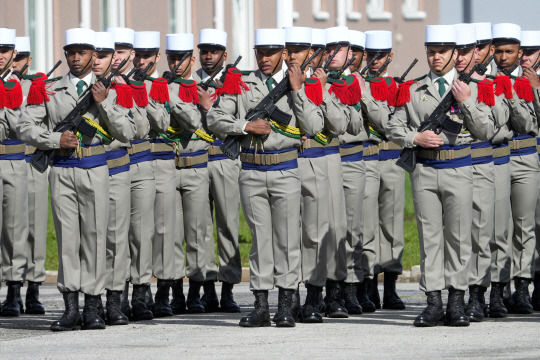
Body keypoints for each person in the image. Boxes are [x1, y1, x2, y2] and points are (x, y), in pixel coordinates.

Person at [18, 27, 136, 331]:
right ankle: (71, 307)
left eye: (82, 52)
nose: (75, 58)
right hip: (61, 170)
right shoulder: (50, 88)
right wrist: (56, 139)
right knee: (67, 240)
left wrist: (105, 102)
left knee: (96, 238)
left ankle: (93, 306)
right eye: (70, 52)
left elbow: (128, 132)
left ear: (94, 55)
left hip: (96, 169)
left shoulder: (108, 89)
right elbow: (25, 126)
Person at [208, 28, 320, 328]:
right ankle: (260, 304)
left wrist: (297, 90)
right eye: (260, 52)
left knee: (287, 239)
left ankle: (286, 303)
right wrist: (245, 126)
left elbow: (314, 124)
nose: (264, 58)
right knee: (260, 240)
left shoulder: (299, 82)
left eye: (270, 53)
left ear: (283, 54)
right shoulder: (241, 82)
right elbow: (214, 118)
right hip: (252, 170)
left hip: (285, 169)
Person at [387, 24, 494, 327]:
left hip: (459, 168)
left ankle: (457, 302)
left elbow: (486, 130)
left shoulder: (470, 87)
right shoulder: (412, 88)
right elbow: (394, 126)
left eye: (442, 52)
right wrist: (414, 139)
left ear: (455, 53)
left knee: (459, 237)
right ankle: (433, 301)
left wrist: (466, 102)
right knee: (429, 237)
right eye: (431, 51)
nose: (436, 57)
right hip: (424, 169)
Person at [489, 23, 538, 315]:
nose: (503, 56)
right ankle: (498, 288)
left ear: (519, 53)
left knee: (524, 226)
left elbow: (534, 124)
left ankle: (522, 288)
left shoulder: (528, 82)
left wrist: (533, 90)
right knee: (498, 228)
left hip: (526, 158)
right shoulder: (484, 80)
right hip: (497, 157)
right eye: (499, 51)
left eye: (510, 51)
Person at [195, 28, 242, 314]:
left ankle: (228, 290)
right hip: (199, 158)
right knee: (201, 228)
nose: (208, 56)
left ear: (224, 55)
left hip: (225, 159)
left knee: (227, 225)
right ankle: (207, 290)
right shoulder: (190, 82)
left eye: (214, 51)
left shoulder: (235, 83)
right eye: (204, 51)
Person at [14, 35, 48, 315]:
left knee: (36, 225)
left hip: (32, 159)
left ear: (28, 59)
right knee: (11, 228)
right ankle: (12, 289)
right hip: (7, 158)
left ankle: (34, 287)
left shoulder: (39, 86)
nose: (15, 63)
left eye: (20, 57)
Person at [0, 28, 26, 317]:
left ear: (13, 55)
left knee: (14, 229)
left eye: (4, 51)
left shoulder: (21, 86)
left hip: (15, 160)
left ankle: (14, 293)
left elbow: (22, 125)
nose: (0, 57)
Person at [519, 29, 540, 312]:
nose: (524, 58)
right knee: (521, 226)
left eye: (530, 52)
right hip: (521, 159)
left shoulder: (532, 79)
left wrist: (536, 86)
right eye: (521, 52)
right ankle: (519, 287)